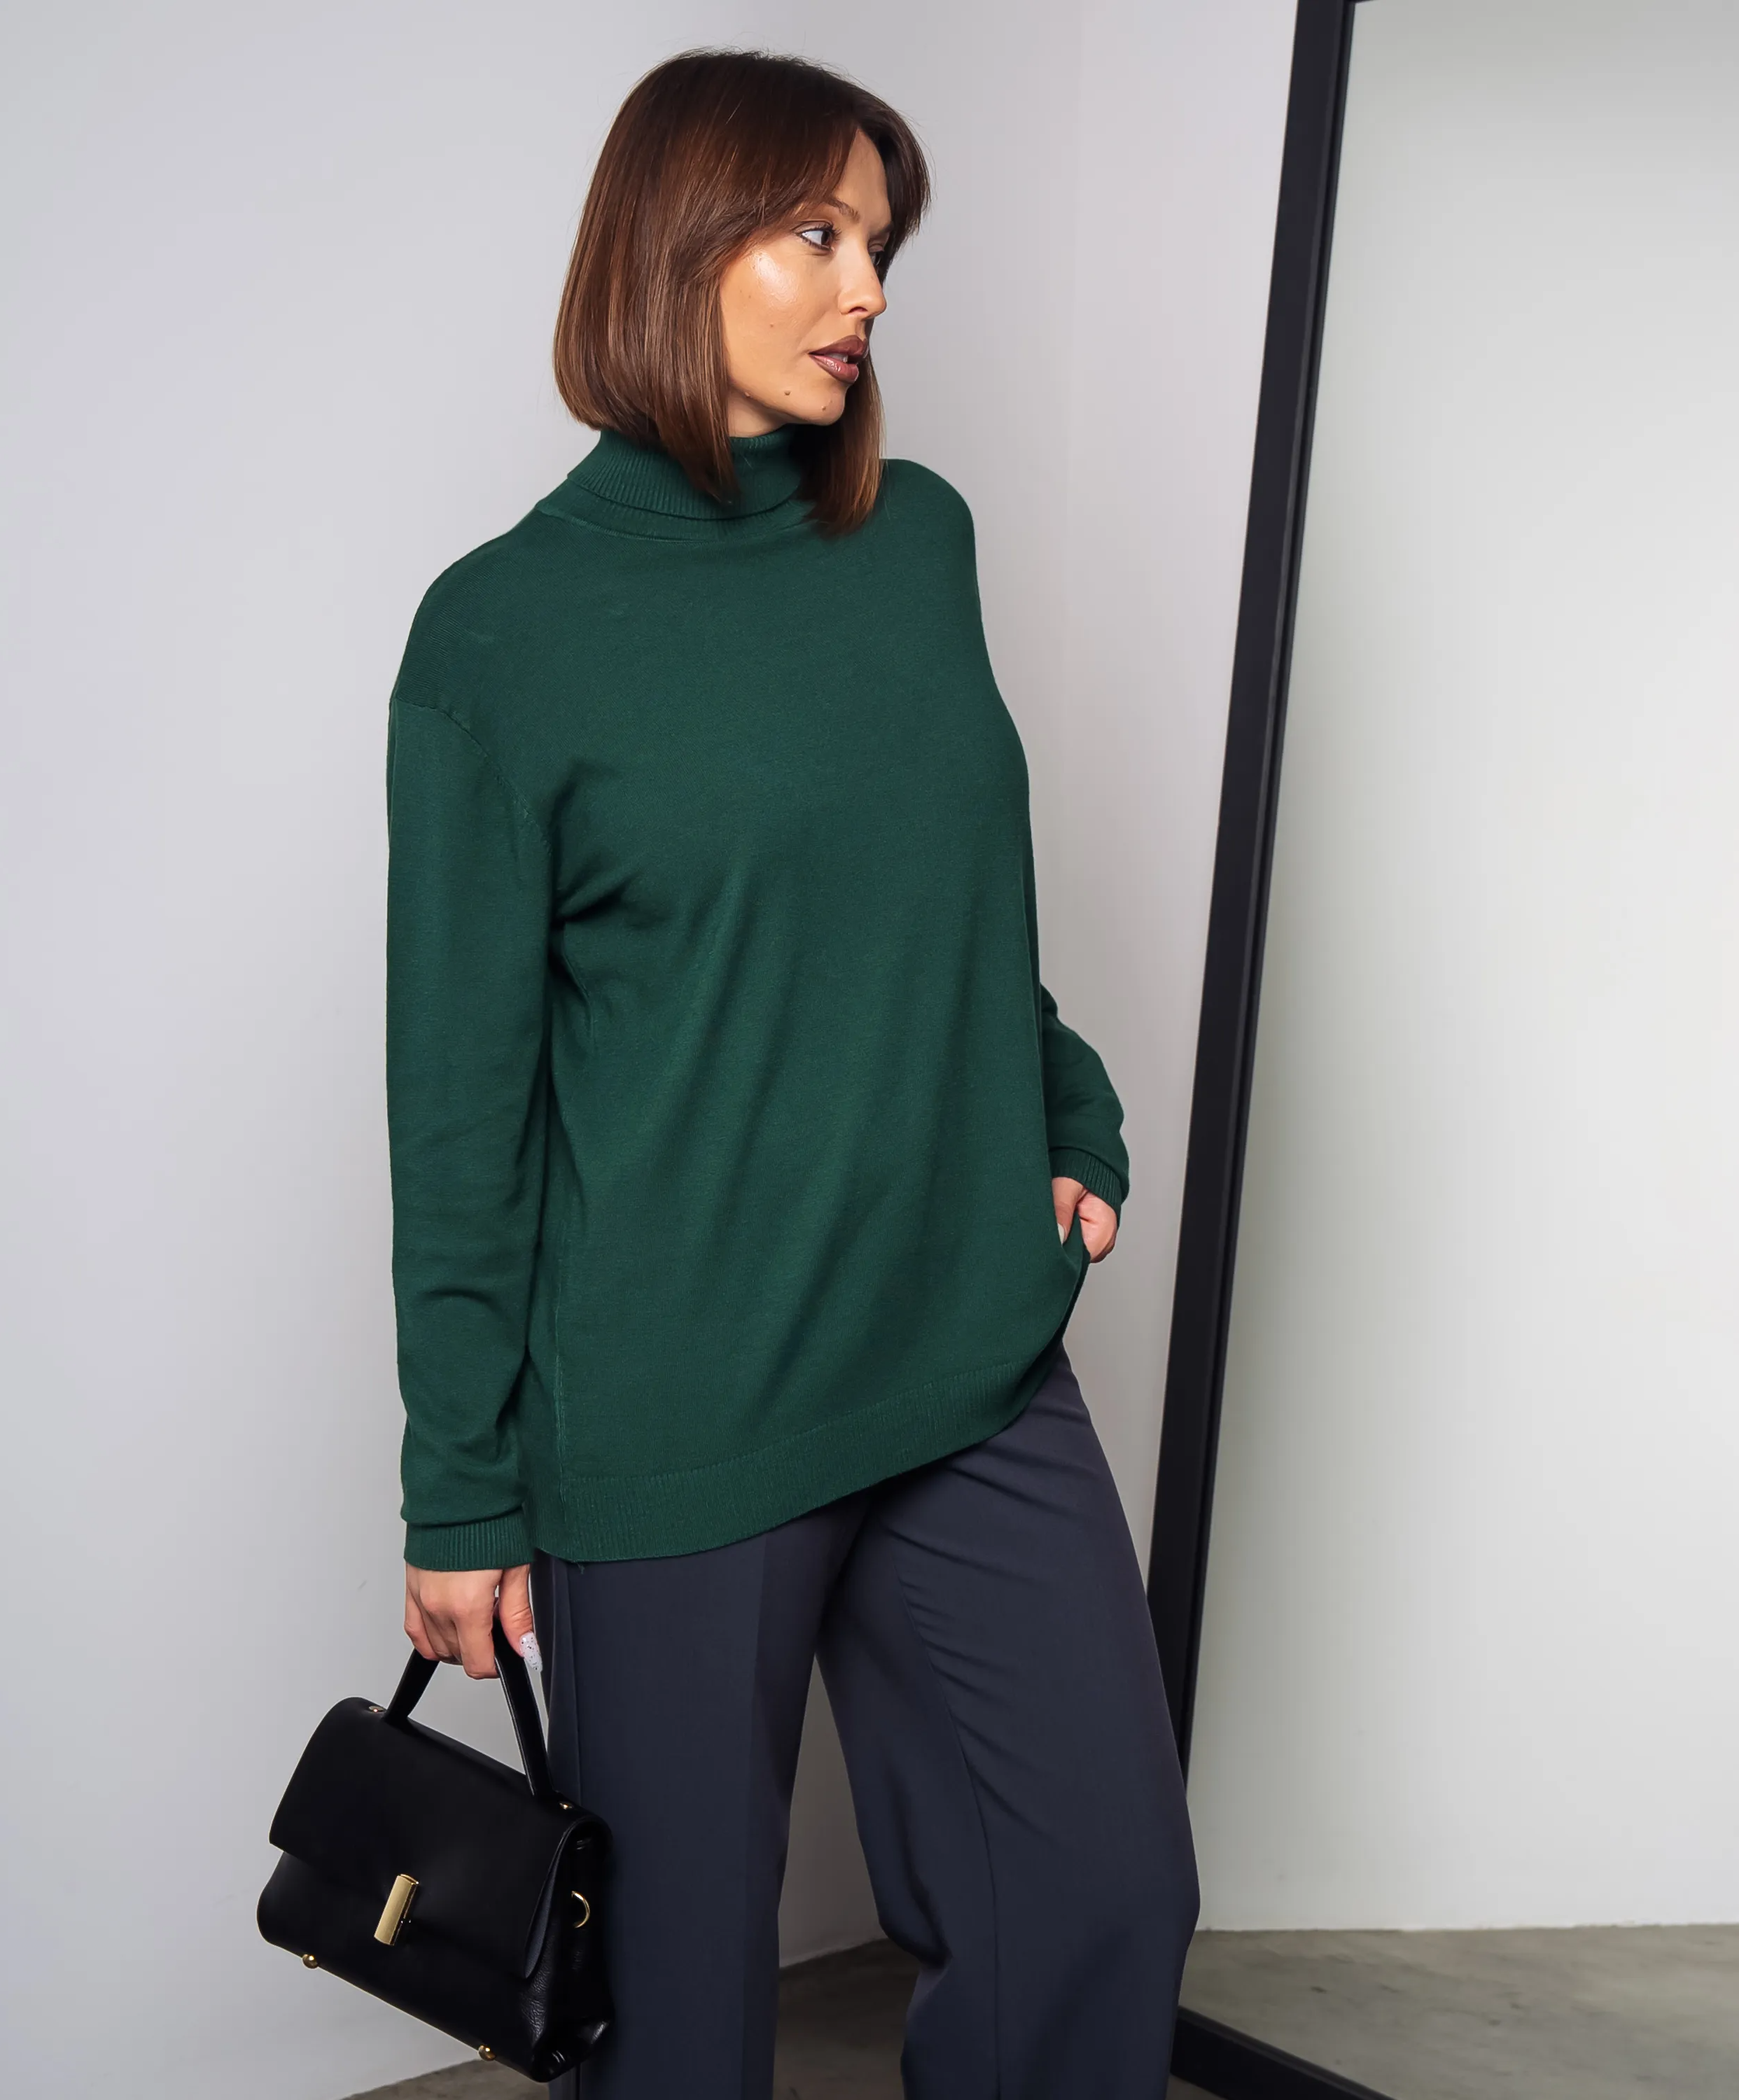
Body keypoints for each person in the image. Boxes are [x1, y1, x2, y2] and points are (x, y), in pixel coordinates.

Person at [385, 46, 1197, 2100]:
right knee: (674, 2021)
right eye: (818, 231)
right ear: (676, 248)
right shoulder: (502, 637)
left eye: (881, 241)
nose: (869, 286)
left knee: (1100, 1889)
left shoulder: (915, 539)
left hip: (958, 1347)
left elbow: (947, 913)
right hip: (681, 1414)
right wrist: (461, 1487)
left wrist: (1068, 1113)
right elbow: (462, 1105)